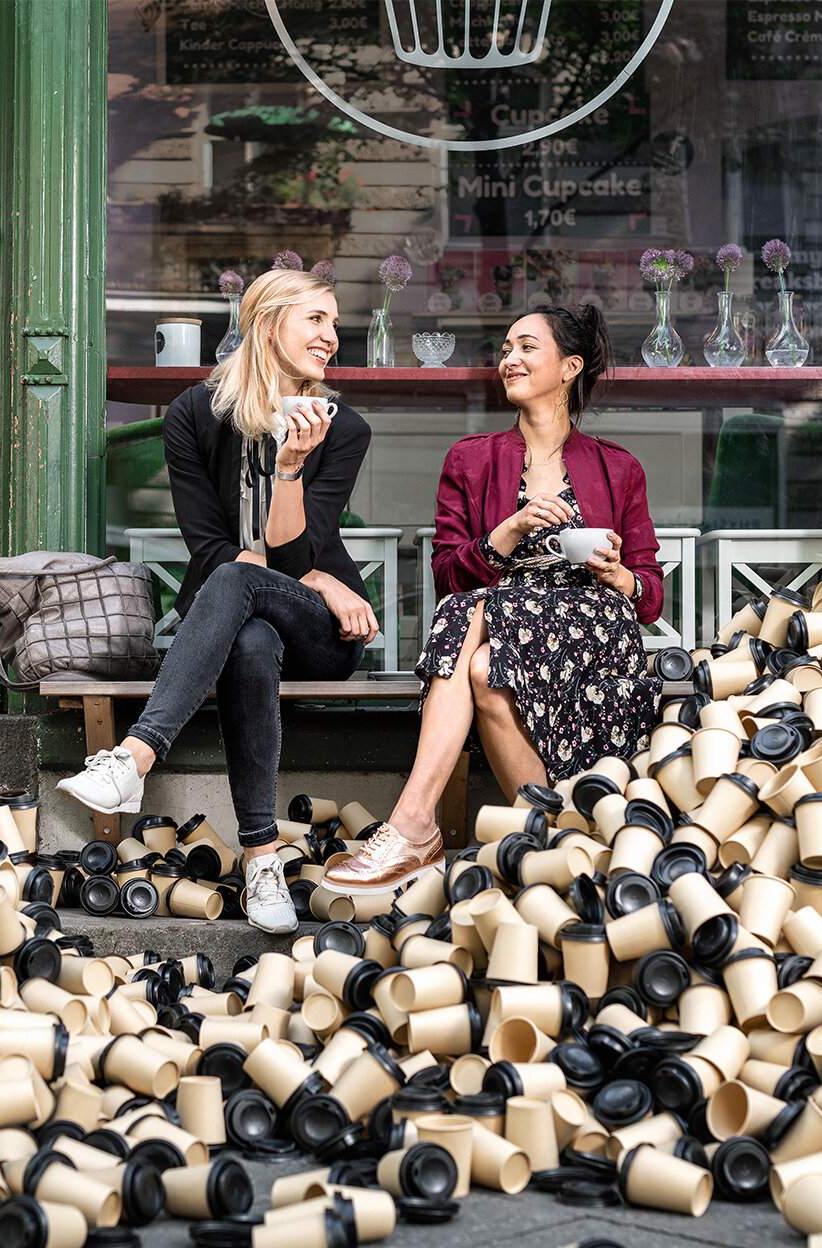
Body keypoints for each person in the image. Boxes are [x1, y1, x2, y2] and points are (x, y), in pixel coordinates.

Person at [57, 268, 377, 932]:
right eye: (316, 319)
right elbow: (206, 545)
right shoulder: (194, 415)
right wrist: (298, 573)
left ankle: (136, 755)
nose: (331, 337)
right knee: (248, 628)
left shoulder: (343, 430)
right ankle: (262, 859)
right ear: (265, 325)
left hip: (321, 631)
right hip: (245, 624)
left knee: (241, 584)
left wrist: (290, 470)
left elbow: (294, 559)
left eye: (335, 323)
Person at [325, 303, 664, 893]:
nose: (510, 359)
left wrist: (616, 575)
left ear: (569, 367)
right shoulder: (471, 458)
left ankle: (413, 824)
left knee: (467, 615)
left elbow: (649, 594)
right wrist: (508, 531)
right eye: (506, 348)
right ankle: (555, 828)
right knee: (481, 664)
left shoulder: (619, 468)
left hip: (593, 635)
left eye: (527, 347)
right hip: (502, 629)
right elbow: (447, 575)